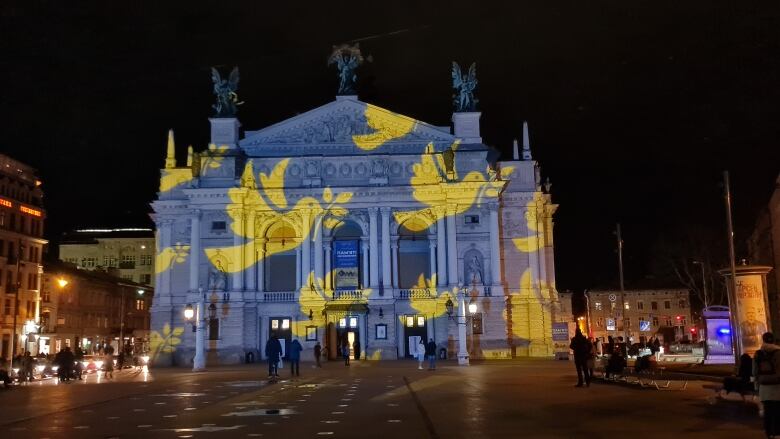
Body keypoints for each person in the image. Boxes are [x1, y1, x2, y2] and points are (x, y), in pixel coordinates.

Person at [754, 332, 780, 437]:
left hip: (764, 387)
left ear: (763, 340)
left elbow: (755, 372)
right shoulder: (778, 352)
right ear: (773, 340)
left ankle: (769, 433)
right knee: (777, 411)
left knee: (768, 411)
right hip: (777, 387)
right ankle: (777, 432)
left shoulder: (758, 354)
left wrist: (757, 387)